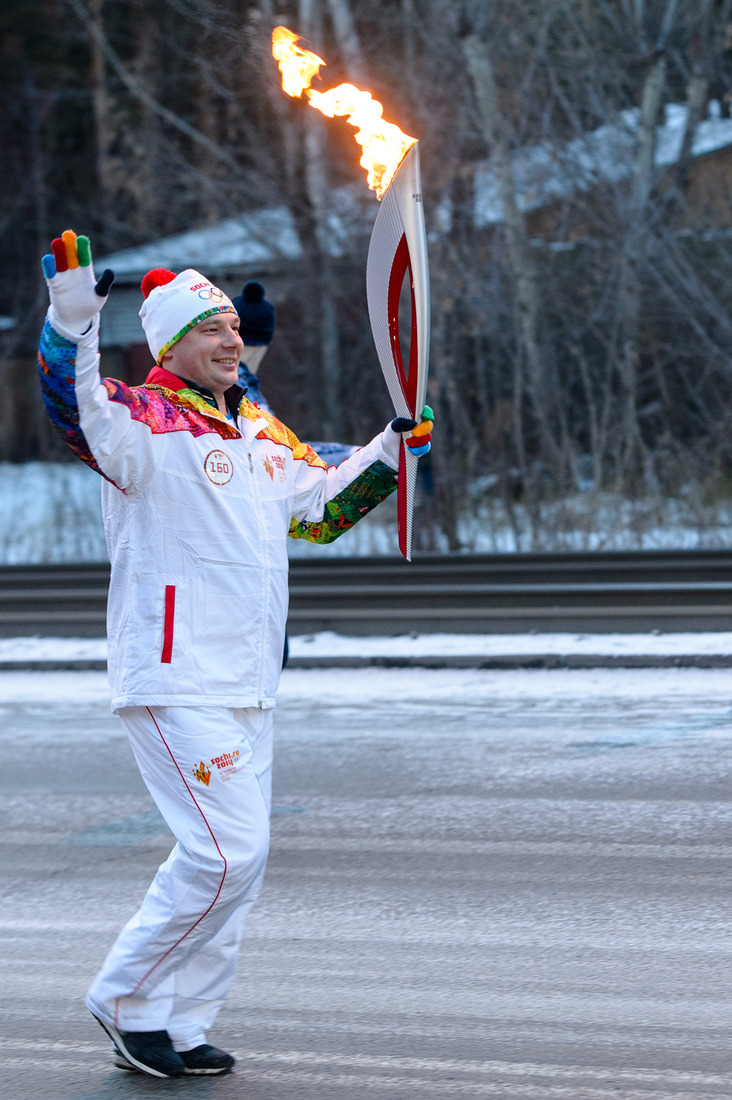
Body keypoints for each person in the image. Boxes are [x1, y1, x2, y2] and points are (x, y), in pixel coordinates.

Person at [37, 229, 433, 1080]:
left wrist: (392, 447)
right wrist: (71, 324)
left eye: (232, 329)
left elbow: (319, 509)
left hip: (250, 680)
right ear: (172, 344)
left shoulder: (257, 428)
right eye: (210, 330)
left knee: (239, 869)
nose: (229, 341)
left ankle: (180, 1023)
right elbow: (74, 409)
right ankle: (124, 995)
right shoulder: (140, 422)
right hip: (174, 676)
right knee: (228, 853)